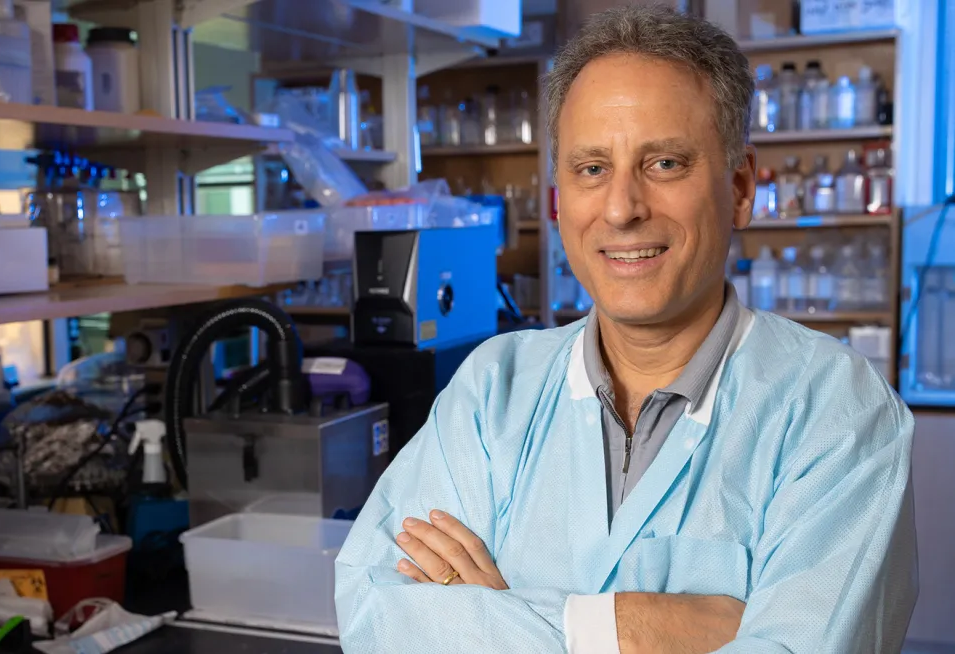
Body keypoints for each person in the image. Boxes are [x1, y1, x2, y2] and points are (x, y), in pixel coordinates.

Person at [334, 6, 917, 653]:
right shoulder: (492, 391)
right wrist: (631, 627)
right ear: (559, 199)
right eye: (591, 169)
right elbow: (375, 612)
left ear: (743, 186)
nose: (621, 208)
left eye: (664, 163)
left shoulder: (838, 417)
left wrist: (492, 615)